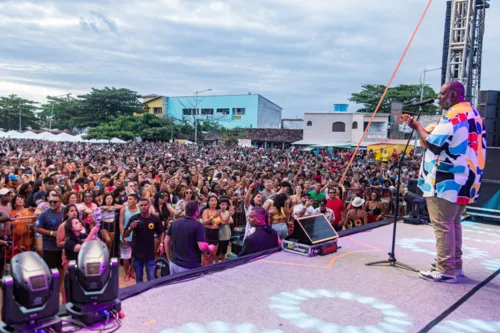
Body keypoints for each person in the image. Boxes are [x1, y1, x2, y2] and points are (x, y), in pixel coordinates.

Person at [406, 81, 486, 283]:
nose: (439, 97)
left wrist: (416, 126)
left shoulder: (453, 115)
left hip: (446, 180)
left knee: (442, 225)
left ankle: (445, 270)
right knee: (453, 223)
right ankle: (455, 265)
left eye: (442, 94)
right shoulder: (473, 114)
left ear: (454, 95)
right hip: (466, 180)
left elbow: (433, 144)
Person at [165, 201, 216, 275]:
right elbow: (202, 247)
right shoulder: (198, 226)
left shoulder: (175, 222)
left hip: (174, 265)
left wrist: (169, 259)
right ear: (197, 212)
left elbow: (166, 241)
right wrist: (210, 248)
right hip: (189, 267)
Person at [124, 197, 165, 283]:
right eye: (141, 205)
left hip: (150, 254)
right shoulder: (134, 218)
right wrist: (130, 228)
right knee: (139, 279)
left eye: (145, 205)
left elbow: (162, 232)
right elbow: (125, 235)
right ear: (139, 207)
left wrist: (161, 244)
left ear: (149, 205)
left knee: (151, 279)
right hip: (137, 254)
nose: (143, 207)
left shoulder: (154, 219)